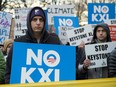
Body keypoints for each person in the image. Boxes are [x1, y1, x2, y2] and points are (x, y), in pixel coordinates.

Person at [4, 6, 61, 84]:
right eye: (35, 19)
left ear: (44, 22)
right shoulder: (19, 43)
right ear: (29, 22)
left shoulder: (55, 42)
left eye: (41, 20)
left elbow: (63, 67)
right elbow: (8, 72)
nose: (38, 23)